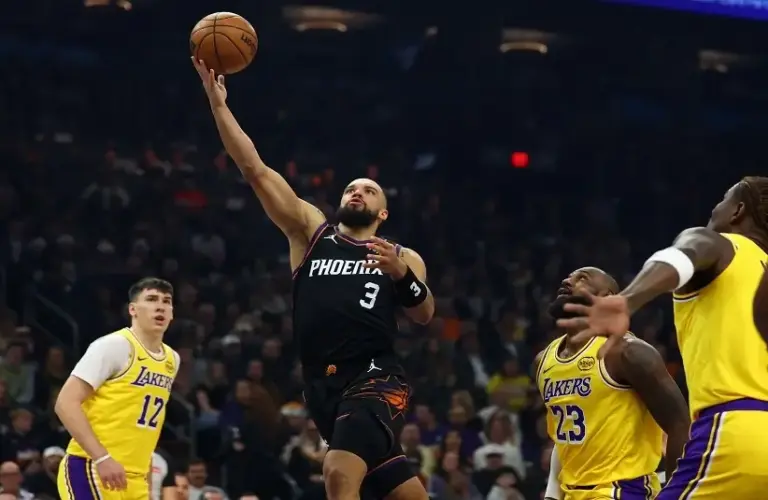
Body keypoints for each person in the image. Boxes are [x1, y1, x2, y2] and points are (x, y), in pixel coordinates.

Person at [193, 59, 435, 500]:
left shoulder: (401, 256)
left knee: (338, 474)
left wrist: (401, 275)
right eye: (351, 188)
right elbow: (255, 168)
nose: (357, 192)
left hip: (376, 378)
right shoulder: (311, 233)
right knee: (403, 493)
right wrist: (218, 105)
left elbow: (424, 313)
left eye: (368, 190)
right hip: (322, 387)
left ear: (382, 212)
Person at [557, 177, 768, 498]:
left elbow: (682, 255)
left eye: (723, 200)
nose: (715, 208)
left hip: (734, 431)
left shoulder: (720, 243)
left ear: (737, 211)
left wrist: (628, 300)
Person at [536, 267, 690, 500]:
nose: (567, 280)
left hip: (621, 490)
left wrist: (675, 493)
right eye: (568, 276)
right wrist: (552, 495)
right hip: (572, 492)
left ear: (606, 298)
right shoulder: (544, 360)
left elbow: (679, 425)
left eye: (582, 278)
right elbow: (566, 439)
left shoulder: (627, 352)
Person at [55, 278, 180, 500]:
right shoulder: (114, 346)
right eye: (151, 299)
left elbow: (143, 425)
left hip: (136, 477)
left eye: (166, 301)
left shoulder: (172, 359)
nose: (160, 306)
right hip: (91, 466)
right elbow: (65, 403)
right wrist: (102, 458)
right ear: (133, 310)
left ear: (172, 313)